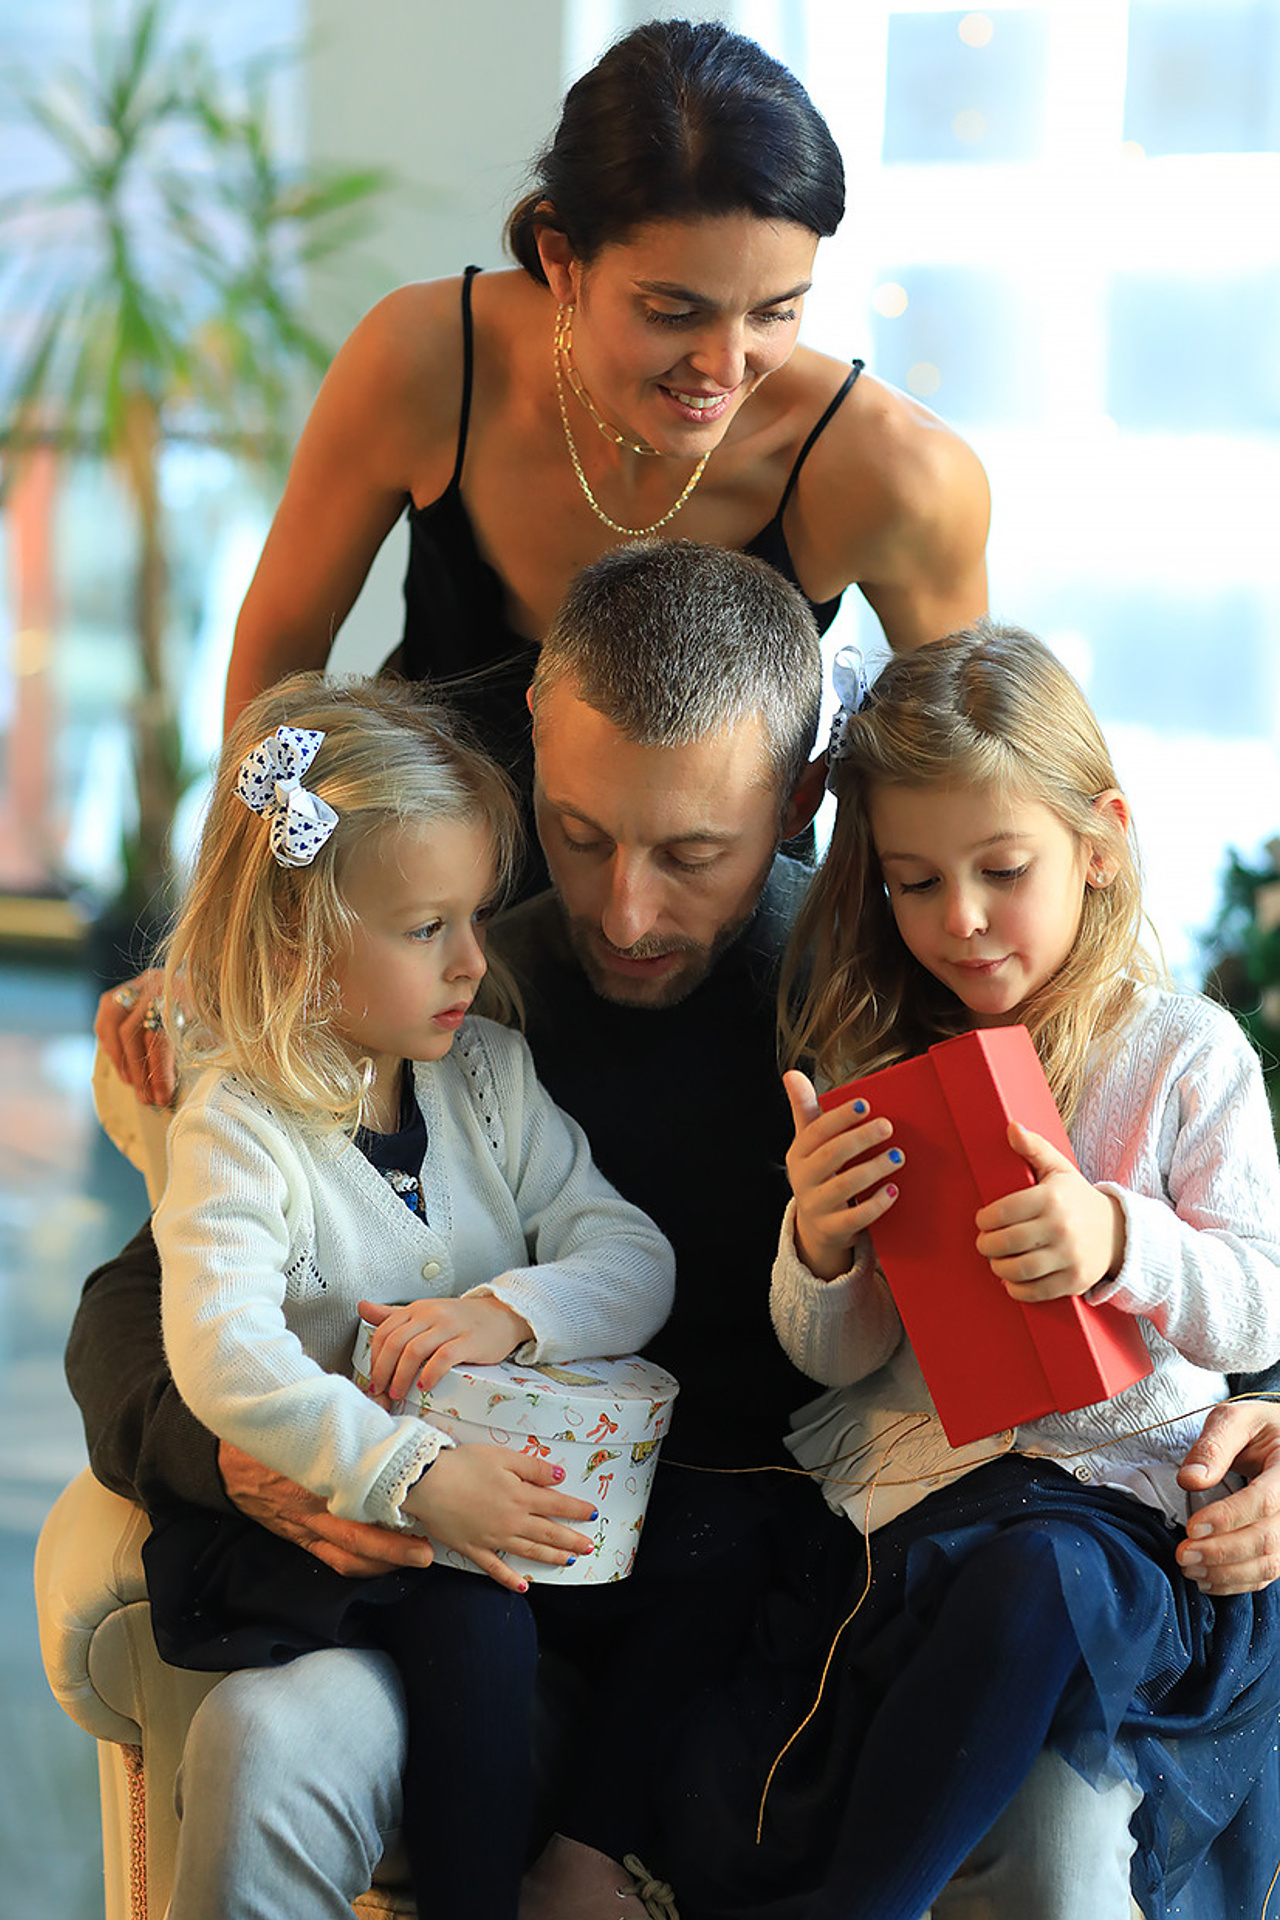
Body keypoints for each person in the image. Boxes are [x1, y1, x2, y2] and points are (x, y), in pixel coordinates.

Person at [78, 548, 1280, 1920]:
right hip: (491, 1574)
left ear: (800, 804)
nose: (627, 911)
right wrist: (242, 1460)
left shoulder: (905, 994)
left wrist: (1266, 1426)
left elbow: (1196, 1255)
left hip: (803, 1595)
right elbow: (149, 1300)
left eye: (692, 854)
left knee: (1069, 1842)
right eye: (582, 836)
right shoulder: (446, 984)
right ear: (533, 743)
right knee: (266, 1741)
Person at [657, 620, 1280, 1920]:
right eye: (914, 882)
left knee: (1038, 1574)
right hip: (938, 1502)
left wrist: (1119, 1241)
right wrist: (820, 1246)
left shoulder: (1183, 1056)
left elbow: (1256, 1300)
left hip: (1119, 1509)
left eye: (1003, 869)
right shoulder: (892, 1065)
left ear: (1098, 843)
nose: (963, 920)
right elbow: (843, 1352)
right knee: (959, 1584)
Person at [138, 672, 675, 1920]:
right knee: (480, 1621)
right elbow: (224, 1354)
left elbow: (632, 1254)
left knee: (684, 1576)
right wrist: (412, 1472)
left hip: (495, 1524)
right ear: (297, 942)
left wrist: (510, 1312)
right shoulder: (237, 1126)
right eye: (427, 927)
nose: (475, 960)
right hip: (335, 1541)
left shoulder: (489, 1079)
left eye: (472, 916)